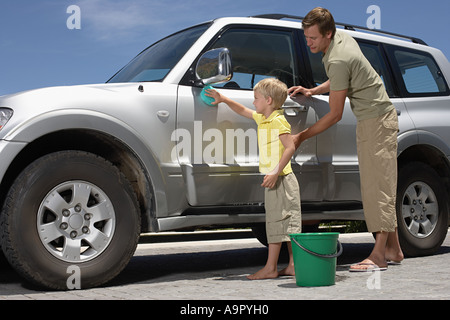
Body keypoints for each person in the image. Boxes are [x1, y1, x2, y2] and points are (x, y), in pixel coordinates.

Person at [288, 7, 404, 271]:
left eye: (313, 38)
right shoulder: (343, 39)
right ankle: (394, 249)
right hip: (372, 120)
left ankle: (379, 256)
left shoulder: (338, 57)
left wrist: (301, 137)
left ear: (328, 34)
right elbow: (341, 80)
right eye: (306, 37)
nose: (308, 43)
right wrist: (313, 90)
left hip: (377, 122)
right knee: (377, 184)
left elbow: (335, 114)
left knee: (379, 189)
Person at [206, 78, 302, 279]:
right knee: (285, 223)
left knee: (279, 223)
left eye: (256, 98)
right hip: (276, 178)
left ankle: (270, 268)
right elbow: (242, 110)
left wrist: (275, 172)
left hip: (281, 179)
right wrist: (223, 98)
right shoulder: (263, 118)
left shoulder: (277, 120)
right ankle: (293, 265)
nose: (253, 102)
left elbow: (290, 147)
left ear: (268, 100)